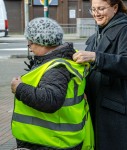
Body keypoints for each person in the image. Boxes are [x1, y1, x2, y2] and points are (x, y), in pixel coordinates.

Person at [11, 17, 94, 150]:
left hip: (50, 142)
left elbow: (51, 100)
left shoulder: (56, 68)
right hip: (57, 139)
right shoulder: (65, 59)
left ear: (43, 42)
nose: (30, 48)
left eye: (30, 43)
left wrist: (19, 88)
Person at [73, 0, 127, 150]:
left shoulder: (126, 33)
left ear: (115, 8)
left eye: (101, 9)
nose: (96, 13)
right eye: (93, 9)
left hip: (114, 112)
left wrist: (96, 57)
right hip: (96, 107)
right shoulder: (97, 34)